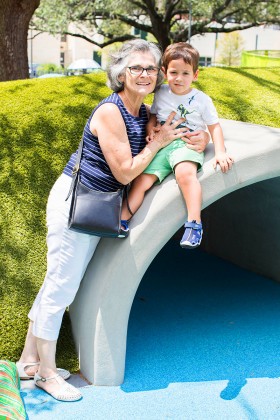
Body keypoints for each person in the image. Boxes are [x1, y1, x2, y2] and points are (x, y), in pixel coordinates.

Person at [16, 39, 210, 402]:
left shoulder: (143, 111)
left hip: (98, 206)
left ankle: (28, 360)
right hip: (76, 203)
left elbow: (179, 131)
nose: (144, 74)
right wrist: (158, 143)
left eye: (151, 68)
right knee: (61, 287)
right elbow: (123, 173)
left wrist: (198, 139)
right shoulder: (111, 112)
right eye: (136, 67)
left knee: (58, 282)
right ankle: (45, 372)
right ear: (121, 73)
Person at [121, 42, 234, 248]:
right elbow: (154, 116)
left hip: (185, 144)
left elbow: (214, 127)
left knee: (185, 175)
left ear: (195, 75)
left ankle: (194, 224)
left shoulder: (202, 100)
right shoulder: (162, 92)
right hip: (162, 145)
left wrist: (220, 152)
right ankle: (122, 220)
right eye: (173, 72)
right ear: (164, 72)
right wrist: (150, 130)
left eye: (185, 73)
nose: (179, 78)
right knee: (142, 182)